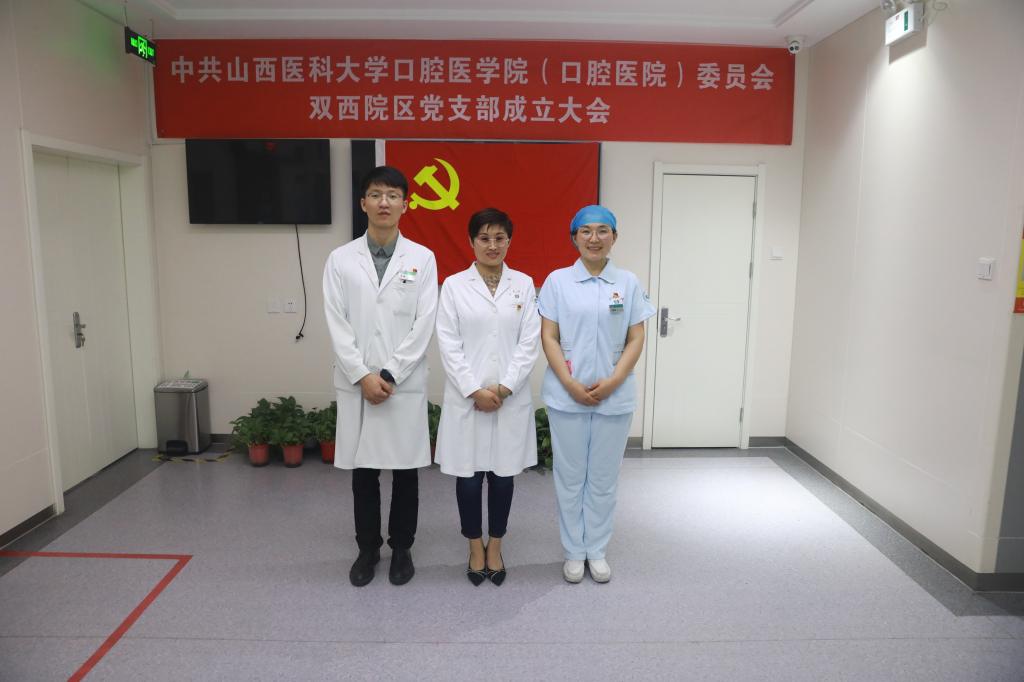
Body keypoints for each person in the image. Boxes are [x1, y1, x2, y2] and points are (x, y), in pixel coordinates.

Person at [322, 165, 438, 587]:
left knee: (405, 473)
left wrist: (389, 372)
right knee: (364, 473)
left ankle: (402, 548)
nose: (384, 202)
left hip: (401, 384)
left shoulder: (422, 259)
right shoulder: (340, 259)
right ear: (363, 203)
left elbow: (424, 322)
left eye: (392, 195)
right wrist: (362, 375)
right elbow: (336, 322)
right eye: (375, 194)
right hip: (358, 384)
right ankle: (367, 549)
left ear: (406, 204)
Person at [537, 205, 655, 584]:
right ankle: (574, 551)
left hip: (614, 397)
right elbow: (549, 336)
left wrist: (615, 380)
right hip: (566, 396)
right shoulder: (557, 281)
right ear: (574, 237)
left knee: (603, 479)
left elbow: (636, 336)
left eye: (603, 230)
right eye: (585, 231)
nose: (594, 238)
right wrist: (570, 383)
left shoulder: (628, 283)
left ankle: (597, 550)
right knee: (570, 477)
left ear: (614, 237)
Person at [434, 208, 541, 586]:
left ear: (509, 241)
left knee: (502, 477)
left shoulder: (524, 284)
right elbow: (448, 343)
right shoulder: (454, 286)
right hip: (468, 398)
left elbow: (529, 342)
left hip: (509, 398)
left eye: (499, 238)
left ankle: (495, 545)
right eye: (484, 238)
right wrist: (474, 390)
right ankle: (473, 546)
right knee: (468, 478)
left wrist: (505, 386)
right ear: (471, 242)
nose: (492, 245)